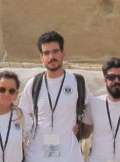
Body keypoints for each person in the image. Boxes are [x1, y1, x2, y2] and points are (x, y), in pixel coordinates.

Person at [20, 31, 93, 162]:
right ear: (41, 57)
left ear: (63, 53)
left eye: (55, 51)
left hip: (70, 156)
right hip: (36, 156)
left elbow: (95, 108)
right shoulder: (33, 84)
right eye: (46, 53)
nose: (51, 56)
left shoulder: (77, 82)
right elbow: (21, 117)